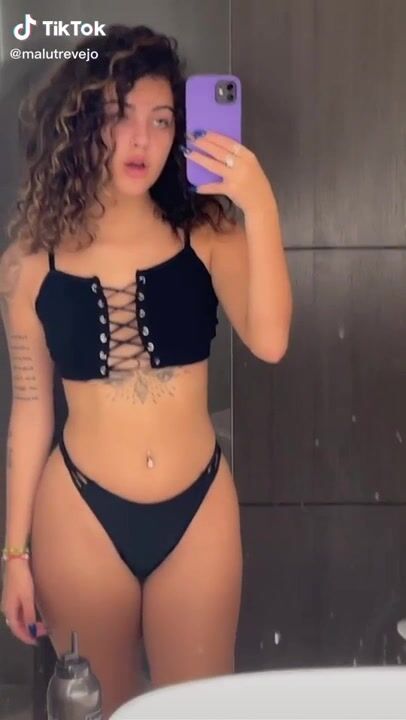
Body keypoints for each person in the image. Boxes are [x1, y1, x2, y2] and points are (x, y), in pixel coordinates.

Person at [0, 23, 292, 719]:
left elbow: (271, 342)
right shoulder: (30, 260)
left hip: (199, 510)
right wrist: (14, 553)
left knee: (200, 710)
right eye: (120, 115)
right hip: (79, 513)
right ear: (81, 122)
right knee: (101, 711)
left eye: (161, 120)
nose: (142, 139)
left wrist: (259, 203)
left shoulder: (209, 231)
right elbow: (31, 410)